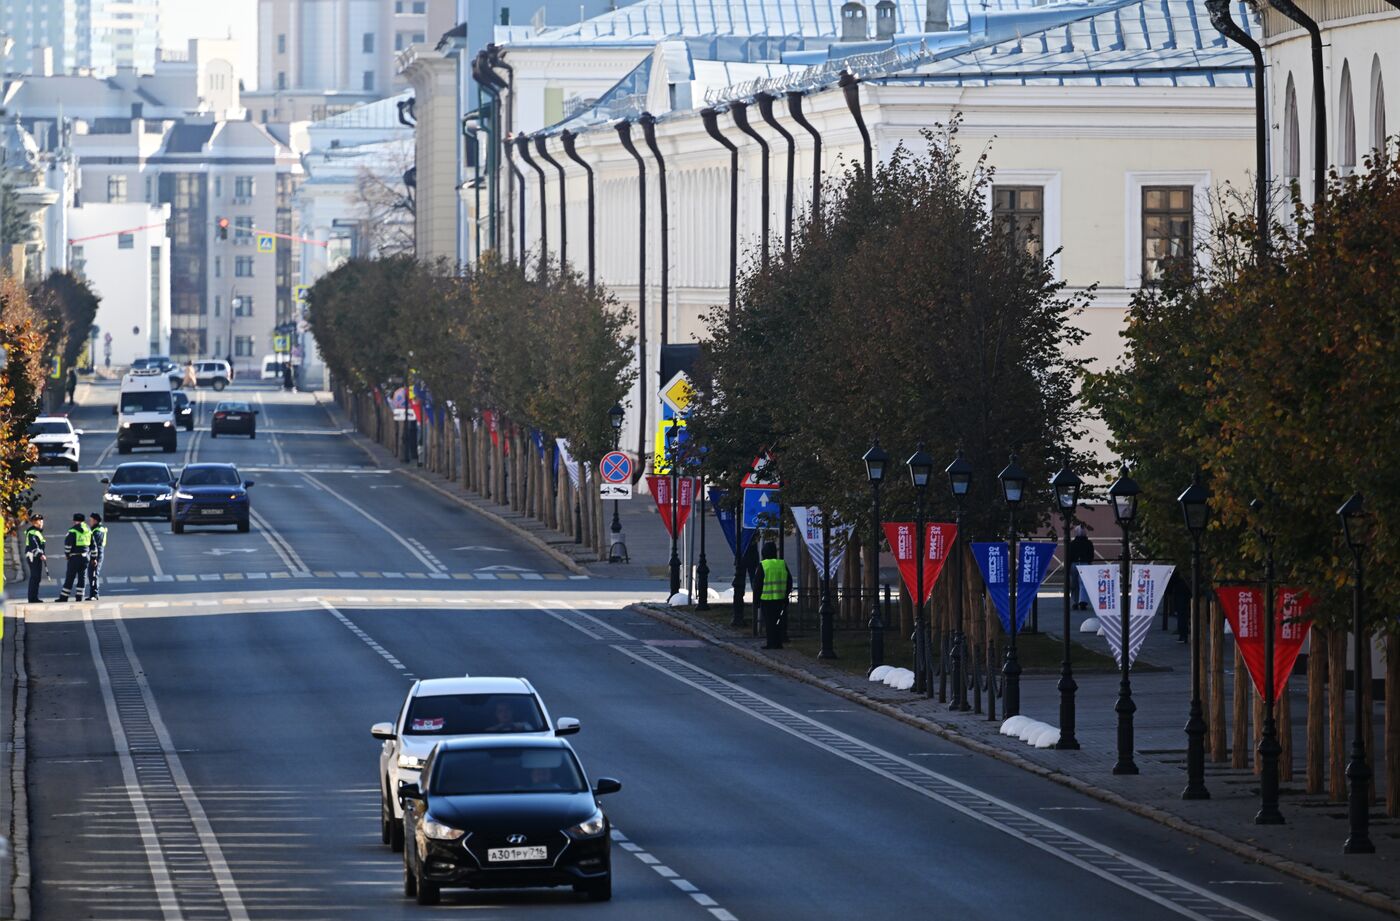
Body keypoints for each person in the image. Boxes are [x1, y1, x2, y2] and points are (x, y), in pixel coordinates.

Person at [754, 541, 792, 650]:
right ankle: (779, 643)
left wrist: (756, 601)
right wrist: (786, 594)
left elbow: (758, 585)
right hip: (781, 599)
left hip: (767, 600)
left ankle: (771, 643)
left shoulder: (763, 565)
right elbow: (789, 581)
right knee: (779, 621)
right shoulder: (782, 563)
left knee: (769, 623)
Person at [54, 513, 91, 602]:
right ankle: (79, 597)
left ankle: (64, 597)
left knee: (70, 577)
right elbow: (93, 544)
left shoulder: (72, 531)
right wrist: (93, 557)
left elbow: (68, 545)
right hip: (86, 557)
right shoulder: (88, 530)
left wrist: (67, 555)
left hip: (74, 557)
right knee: (82, 577)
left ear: (74, 521)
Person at [1068, 524, 1094, 610]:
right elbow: (1091, 555)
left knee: (1074, 584)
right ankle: (1082, 601)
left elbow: (1069, 555)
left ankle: (1075, 601)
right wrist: (1089, 562)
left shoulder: (1072, 543)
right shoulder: (1088, 543)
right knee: (1083, 583)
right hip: (1085, 564)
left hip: (1074, 564)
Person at [24, 514, 47, 604]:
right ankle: (32, 598)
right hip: (32, 557)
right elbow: (34, 546)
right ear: (34, 522)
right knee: (35, 577)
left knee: (37, 577)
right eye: (38, 521)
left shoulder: (37, 532)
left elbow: (40, 546)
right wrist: (41, 554)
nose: (41, 522)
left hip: (36, 557)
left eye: (41, 520)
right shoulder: (32, 532)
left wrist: (41, 554)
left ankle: (34, 597)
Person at [86, 513, 107, 601]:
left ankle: (94, 594)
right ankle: (93, 594)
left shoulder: (98, 531)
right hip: (96, 553)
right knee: (91, 573)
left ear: (95, 521)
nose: (89, 522)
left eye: (91, 520)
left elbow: (94, 544)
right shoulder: (97, 529)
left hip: (97, 554)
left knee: (94, 574)